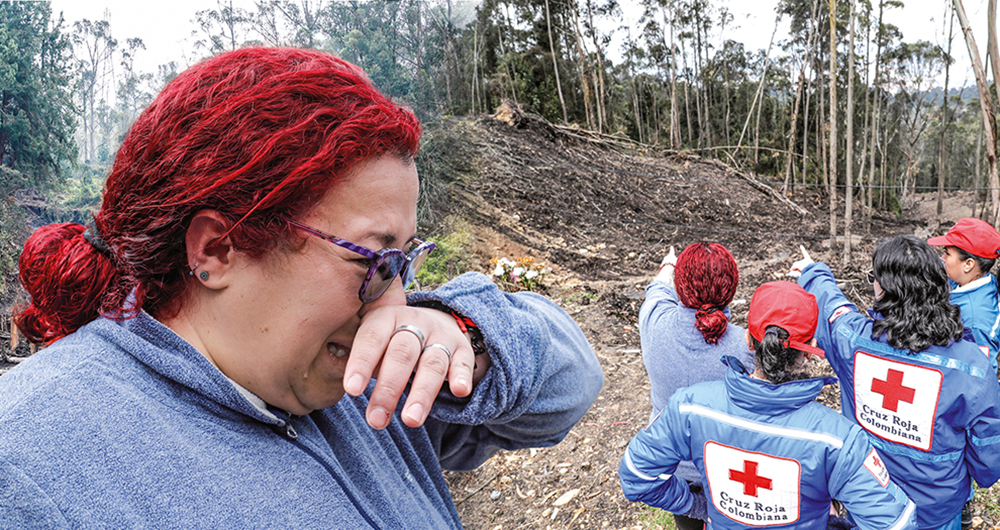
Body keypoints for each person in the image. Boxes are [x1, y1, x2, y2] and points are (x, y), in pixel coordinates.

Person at [0, 47, 604, 528]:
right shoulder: (28, 465)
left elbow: (572, 384)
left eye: (403, 264)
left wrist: (465, 334)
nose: (391, 304)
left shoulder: (364, 385)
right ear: (216, 249)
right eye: (374, 260)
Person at [620, 281, 917, 530]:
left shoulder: (689, 408)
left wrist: (697, 505)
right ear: (808, 353)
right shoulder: (838, 439)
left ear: (749, 340)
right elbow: (897, 523)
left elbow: (636, 476)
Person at [795, 236, 1000, 530]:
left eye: (873, 279)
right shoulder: (972, 366)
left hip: (868, 500)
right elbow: (988, 454)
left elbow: (832, 309)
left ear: (884, 290)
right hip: (937, 509)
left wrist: (813, 271)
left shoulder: (853, 341)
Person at [639, 242, 756, 530]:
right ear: (732, 288)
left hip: (675, 470)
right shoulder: (747, 348)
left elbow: (656, 289)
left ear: (680, 285)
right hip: (729, 470)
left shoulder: (653, 321)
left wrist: (668, 265)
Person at [926, 217, 1000, 375]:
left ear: (968, 264)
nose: (942, 259)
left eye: (947, 254)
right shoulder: (974, 279)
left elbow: (980, 376)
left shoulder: (975, 324)